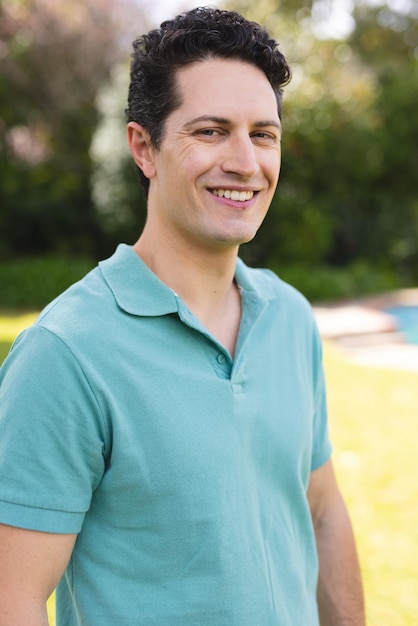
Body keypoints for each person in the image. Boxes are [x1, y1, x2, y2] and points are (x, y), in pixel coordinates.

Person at [0, 7, 365, 625]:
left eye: (263, 134)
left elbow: (322, 509)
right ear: (144, 147)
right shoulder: (66, 352)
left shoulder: (291, 321)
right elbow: (12, 598)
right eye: (211, 131)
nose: (246, 162)